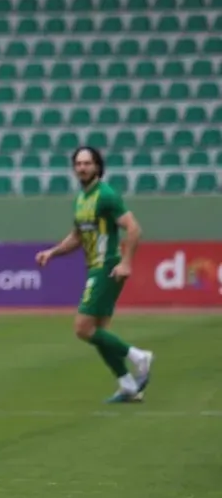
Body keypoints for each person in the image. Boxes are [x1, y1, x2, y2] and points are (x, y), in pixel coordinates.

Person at [34, 145, 154, 403]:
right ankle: (128, 386)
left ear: (97, 166)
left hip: (106, 267)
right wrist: (52, 252)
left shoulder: (106, 195)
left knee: (82, 328)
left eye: (87, 163)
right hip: (95, 267)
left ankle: (138, 356)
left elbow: (134, 229)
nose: (82, 168)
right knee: (100, 332)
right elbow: (78, 236)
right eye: (78, 164)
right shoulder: (81, 198)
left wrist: (126, 263)